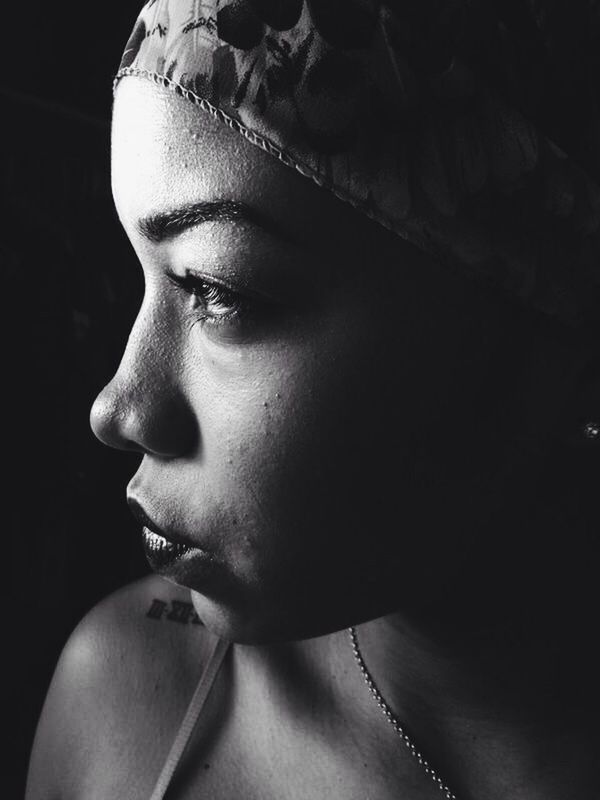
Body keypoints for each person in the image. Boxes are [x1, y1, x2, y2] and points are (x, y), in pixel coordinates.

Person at [26, 2, 600, 798]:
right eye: (144, 277)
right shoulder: (128, 702)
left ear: (565, 346)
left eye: (219, 288)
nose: (120, 409)